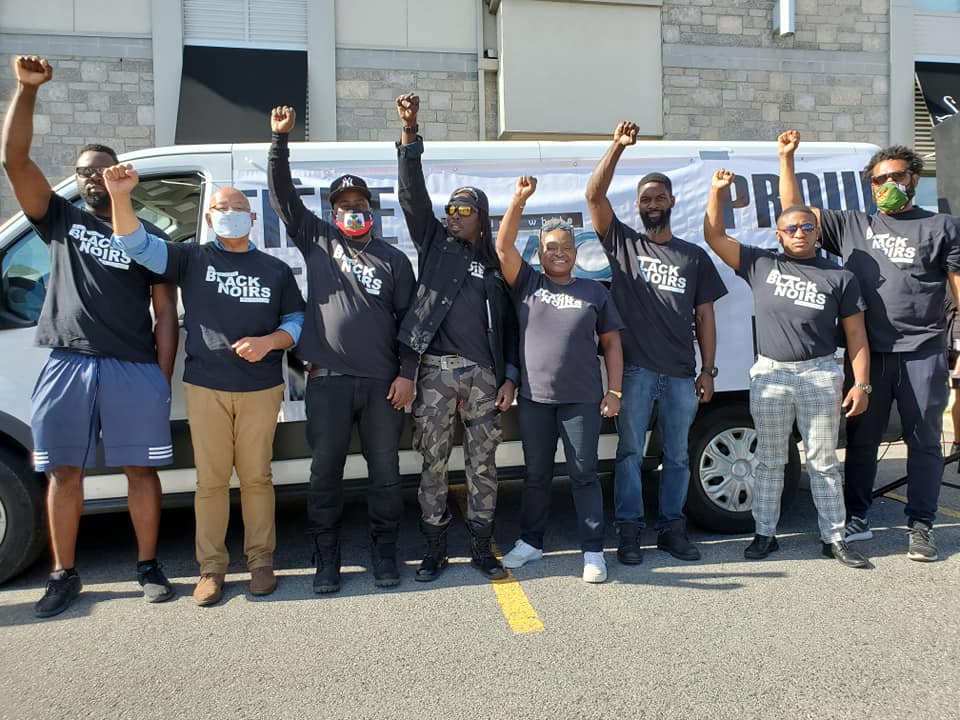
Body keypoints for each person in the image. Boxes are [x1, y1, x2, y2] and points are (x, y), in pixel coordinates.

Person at [1, 55, 178, 617]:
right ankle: (64, 573)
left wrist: (160, 375)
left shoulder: (148, 234)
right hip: (69, 362)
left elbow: (166, 312)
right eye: (83, 170)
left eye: (103, 168)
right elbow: (14, 158)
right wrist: (27, 92)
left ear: (120, 174)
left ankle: (148, 566)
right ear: (76, 181)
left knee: (140, 471)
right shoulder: (60, 219)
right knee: (64, 472)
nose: (92, 176)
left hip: (132, 366)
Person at [105, 166, 305, 605]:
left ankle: (261, 562)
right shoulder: (190, 259)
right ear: (209, 218)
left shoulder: (275, 269)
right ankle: (211, 569)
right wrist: (121, 198)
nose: (229, 213)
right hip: (206, 386)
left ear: (253, 220)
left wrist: (269, 341)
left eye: (238, 208)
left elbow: (297, 320)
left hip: (261, 387)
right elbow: (134, 244)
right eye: (221, 208)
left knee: (257, 478)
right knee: (211, 482)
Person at [779, 130, 960, 561]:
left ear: (913, 178)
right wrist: (787, 159)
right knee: (862, 439)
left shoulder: (941, 226)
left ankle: (921, 525)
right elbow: (794, 211)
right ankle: (857, 513)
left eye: (894, 177)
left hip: (924, 350)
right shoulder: (854, 225)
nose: (885, 187)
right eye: (877, 181)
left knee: (924, 440)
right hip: (869, 355)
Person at [268, 106, 417, 593]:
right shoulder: (319, 240)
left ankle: (385, 556)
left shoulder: (394, 259)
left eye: (360, 203)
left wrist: (407, 373)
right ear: (332, 212)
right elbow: (284, 197)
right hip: (326, 383)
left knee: (386, 477)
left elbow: (410, 324)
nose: (352, 210)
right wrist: (279, 141)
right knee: (324, 476)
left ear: (372, 211)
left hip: (381, 386)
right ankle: (326, 562)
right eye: (343, 204)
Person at [704, 169, 871, 567]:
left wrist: (860, 383)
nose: (799, 233)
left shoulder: (840, 276)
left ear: (817, 232)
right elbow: (714, 237)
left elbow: (857, 336)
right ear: (778, 235)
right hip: (771, 373)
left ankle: (834, 538)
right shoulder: (760, 264)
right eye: (791, 228)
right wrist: (716, 193)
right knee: (770, 461)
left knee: (824, 461)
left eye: (806, 227)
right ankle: (765, 535)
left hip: (819, 373)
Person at [585, 120, 728, 564]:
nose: (652, 204)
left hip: (683, 374)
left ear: (671, 201)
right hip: (636, 371)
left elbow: (705, 315)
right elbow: (594, 196)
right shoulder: (624, 244)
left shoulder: (693, 256)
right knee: (629, 454)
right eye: (645, 198)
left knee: (679, 457)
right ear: (639, 205)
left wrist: (708, 369)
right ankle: (629, 531)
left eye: (659, 197)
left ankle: (671, 528)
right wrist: (616, 147)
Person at [394, 93, 520, 582]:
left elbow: (509, 327)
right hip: (436, 373)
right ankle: (434, 548)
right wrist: (410, 134)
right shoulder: (434, 243)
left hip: (485, 378)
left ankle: (482, 547)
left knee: (483, 465)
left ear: (480, 217)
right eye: (450, 208)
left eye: (462, 209)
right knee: (432, 463)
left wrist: (509, 375)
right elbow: (412, 197)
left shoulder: (494, 264)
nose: (452, 214)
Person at [495, 176, 624, 583]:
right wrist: (517, 201)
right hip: (534, 399)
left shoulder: (594, 292)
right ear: (541, 253)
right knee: (536, 475)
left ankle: (592, 551)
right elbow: (502, 247)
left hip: (582, 399)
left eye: (566, 248)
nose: (559, 254)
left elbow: (612, 345)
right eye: (551, 248)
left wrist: (614, 390)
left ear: (575, 253)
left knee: (584, 473)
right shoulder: (528, 284)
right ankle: (531, 543)